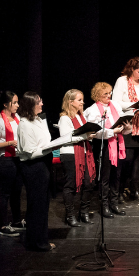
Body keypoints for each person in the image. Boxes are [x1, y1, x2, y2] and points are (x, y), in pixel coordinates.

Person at [113, 57, 139, 202]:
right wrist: (134, 104)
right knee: (127, 159)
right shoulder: (122, 81)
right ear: (132, 69)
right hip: (128, 124)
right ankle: (120, 190)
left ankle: (134, 189)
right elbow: (116, 101)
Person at [16, 92, 55, 251]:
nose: (42, 104)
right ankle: (39, 242)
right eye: (39, 102)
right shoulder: (24, 124)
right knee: (37, 205)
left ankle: (37, 240)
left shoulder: (38, 120)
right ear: (30, 105)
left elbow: (43, 142)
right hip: (34, 166)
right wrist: (51, 148)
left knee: (42, 204)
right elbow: (29, 151)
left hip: (42, 163)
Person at [83, 82, 128, 218]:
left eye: (110, 93)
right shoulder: (93, 110)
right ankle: (104, 206)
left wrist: (126, 126)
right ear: (98, 95)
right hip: (103, 145)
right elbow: (94, 131)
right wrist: (111, 131)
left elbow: (121, 121)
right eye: (105, 94)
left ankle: (114, 204)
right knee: (105, 177)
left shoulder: (114, 105)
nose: (109, 95)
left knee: (116, 175)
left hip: (118, 143)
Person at [57, 89, 98, 227]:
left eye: (82, 99)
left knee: (89, 183)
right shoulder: (65, 118)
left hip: (84, 152)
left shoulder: (81, 117)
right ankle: (70, 215)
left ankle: (84, 212)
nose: (82, 102)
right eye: (79, 100)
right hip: (70, 154)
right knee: (71, 184)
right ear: (70, 102)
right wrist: (86, 136)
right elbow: (66, 138)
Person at [0, 91, 25, 237]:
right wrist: (9, 143)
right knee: (5, 192)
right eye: (15, 102)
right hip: (5, 160)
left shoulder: (16, 117)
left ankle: (17, 221)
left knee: (17, 192)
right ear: (6, 104)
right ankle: (4, 225)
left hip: (17, 158)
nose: (17, 105)